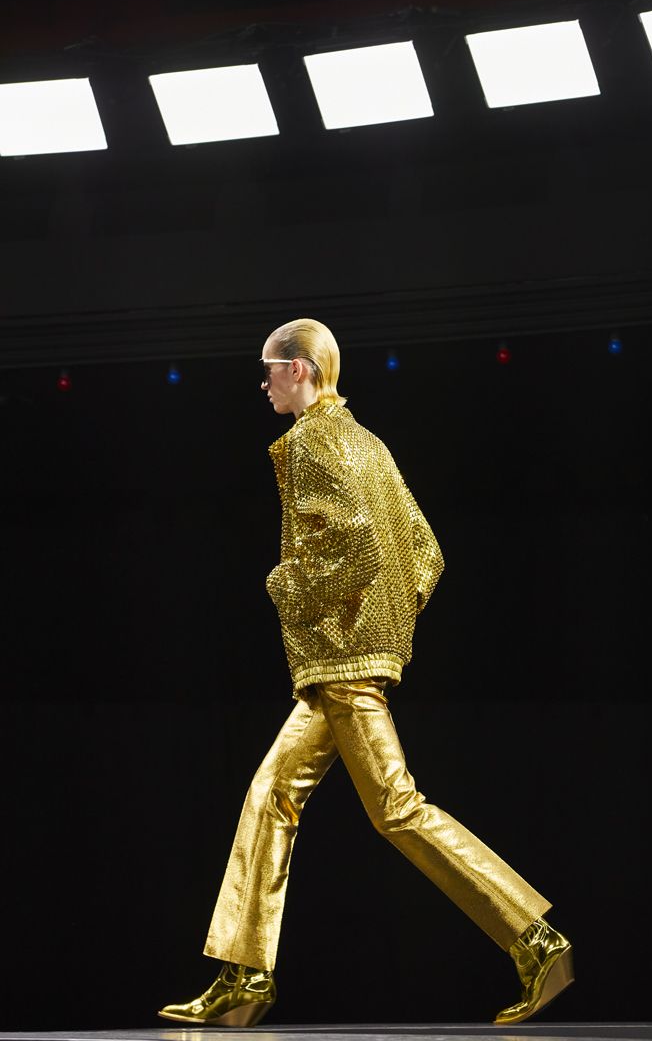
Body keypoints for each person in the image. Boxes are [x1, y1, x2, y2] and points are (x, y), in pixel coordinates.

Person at [159, 318, 573, 1028]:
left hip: (341, 664)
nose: (263, 383)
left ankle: (535, 939)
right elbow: (424, 552)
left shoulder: (309, 442)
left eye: (269, 368)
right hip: (345, 662)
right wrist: (387, 630)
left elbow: (360, 547)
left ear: (299, 369)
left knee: (396, 808)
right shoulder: (368, 443)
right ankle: (246, 976)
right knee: (271, 795)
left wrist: (289, 590)